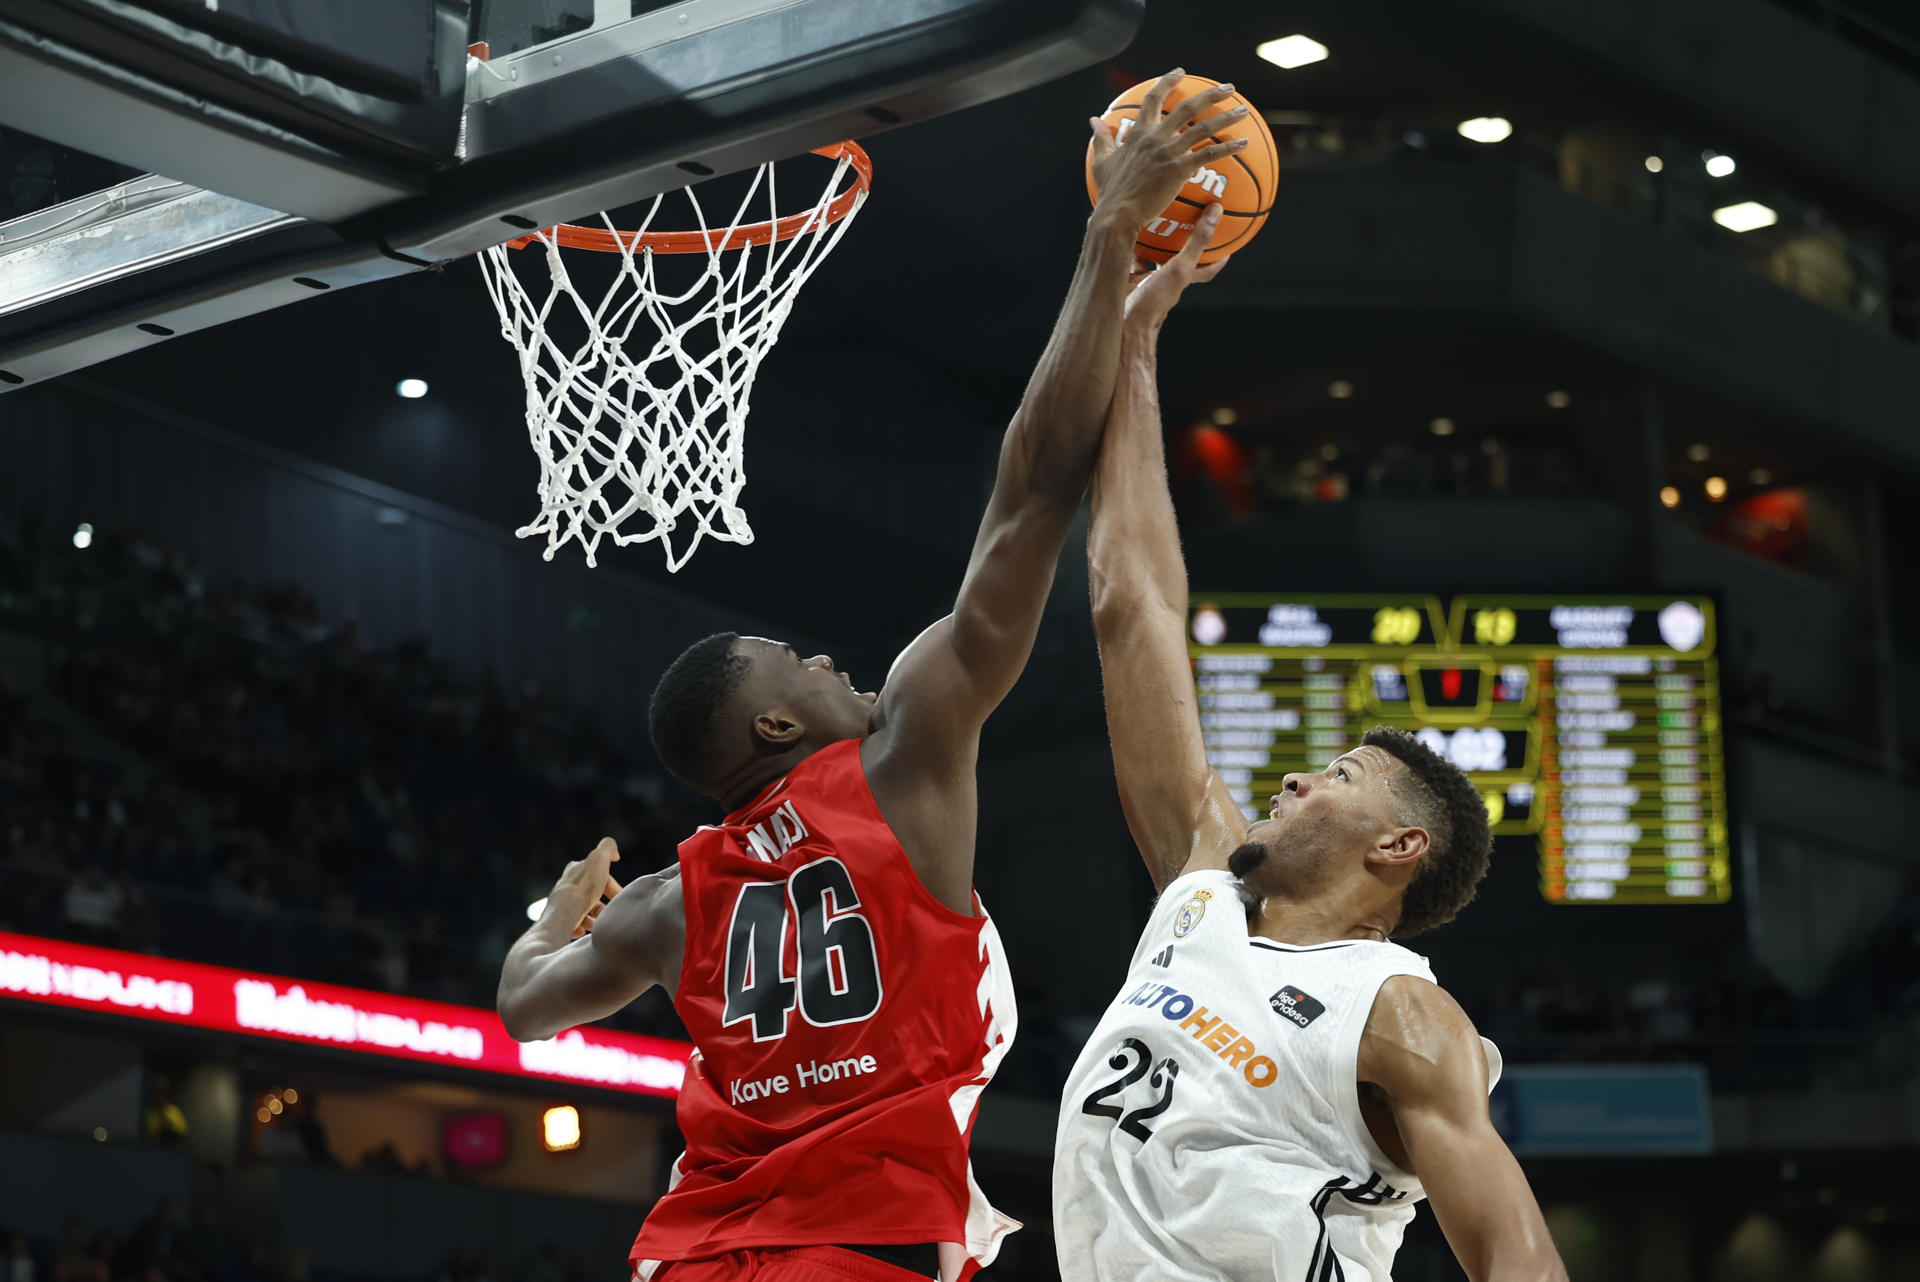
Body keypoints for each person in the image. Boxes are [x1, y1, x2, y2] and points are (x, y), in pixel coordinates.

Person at [495, 69, 1251, 1282]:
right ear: (776, 724)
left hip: (697, 1254)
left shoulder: (666, 906)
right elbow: (1034, 492)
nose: (828, 658)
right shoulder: (901, 756)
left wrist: (556, 912)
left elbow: (526, 1004)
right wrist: (1110, 243)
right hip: (858, 1245)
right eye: (798, 662)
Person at [1050, 222, 1569, 1281]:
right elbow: (1132, 603)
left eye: (1339, 776)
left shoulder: (1402, 1014)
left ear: (1399, 845)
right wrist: (1136, 338)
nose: (1292, 776)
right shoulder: (1200, 891)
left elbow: (1517, 1257)